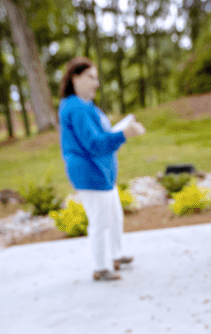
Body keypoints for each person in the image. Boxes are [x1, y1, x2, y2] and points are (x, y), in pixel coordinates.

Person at [58, 56, 146, 281]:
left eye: (97, 78)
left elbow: (102, 135)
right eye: (91, 77)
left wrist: (118, 132)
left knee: (115, 216)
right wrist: (125, 134)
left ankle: (116, 255)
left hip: (102, 173)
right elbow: (95, 144)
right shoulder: (77, 108)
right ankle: (100, 267)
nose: (96, 83)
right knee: (100, 221)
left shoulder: (86, 106)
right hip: (91, 174)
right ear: (75, 78)